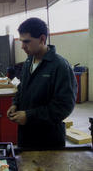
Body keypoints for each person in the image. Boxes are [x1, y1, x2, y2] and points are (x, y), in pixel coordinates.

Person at [7, 18, 77, 148]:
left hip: (48, 139)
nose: (22, 46)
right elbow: (22, 88)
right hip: (26, 136)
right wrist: (15, 104)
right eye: (21, 41)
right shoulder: (28, 62)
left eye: (27, 41)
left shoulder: (60, 66)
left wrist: (29, 116)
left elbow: (64, 107)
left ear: (42, 39)